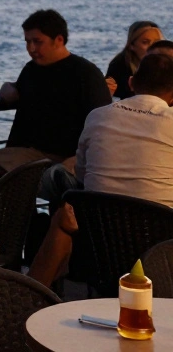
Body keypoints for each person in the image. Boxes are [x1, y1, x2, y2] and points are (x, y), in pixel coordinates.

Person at [28, 53, 173, 287]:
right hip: (162, 251)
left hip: (102, 247)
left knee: (62, 203)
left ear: (132, 83)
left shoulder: (99, 116)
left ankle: (31, 297)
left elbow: (83, 175)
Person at [0, 10, 111, 196]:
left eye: (37, 41)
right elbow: (15, 88)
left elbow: (104, 122)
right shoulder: (31, 71)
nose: (31, 48)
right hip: (34, 152)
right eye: (27, 41)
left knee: (60, 179)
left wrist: (80, 157)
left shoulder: (85, 74)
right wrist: (6, 88)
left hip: (73, 155)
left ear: (58, 40)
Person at [105, 21, 163, 98]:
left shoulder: (166, 63)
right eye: (145, 42)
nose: (152, 46)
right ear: (132, 45)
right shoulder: (119, 65)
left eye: (157, 42)